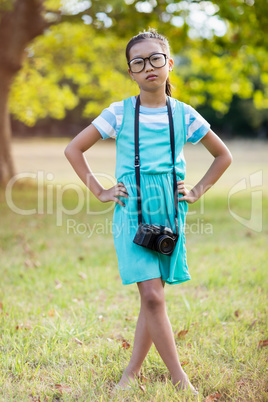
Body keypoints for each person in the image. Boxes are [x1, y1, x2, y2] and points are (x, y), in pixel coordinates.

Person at [64, 29, 232, 395]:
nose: (149, 67)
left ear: (169, 64)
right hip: (132, 210)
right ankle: (179, 378)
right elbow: (74, 149)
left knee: (151, 296)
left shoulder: (185, 115)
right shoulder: (118, 113)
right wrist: (100, 190)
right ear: (131, 72)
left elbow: (223, 156)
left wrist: (198, 190)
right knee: (153, 296)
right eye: (138, 62)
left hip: (171, 210)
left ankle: (130, 374)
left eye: (156, 58)